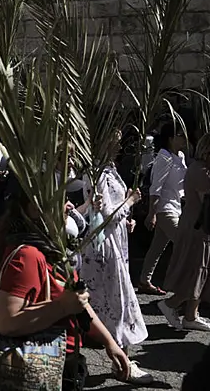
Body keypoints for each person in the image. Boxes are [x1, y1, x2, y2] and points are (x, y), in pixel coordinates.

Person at [0, 186, 132, 390]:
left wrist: (109, 341)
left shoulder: (52, 249)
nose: (69, 206)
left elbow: (77, 302)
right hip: (43, 366)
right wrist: (62, 307)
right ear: (34, 209)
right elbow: (5, 322)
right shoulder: (28, 256)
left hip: (63, 362)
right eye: (60, 201)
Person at [81, 131, 152, 385]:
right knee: (117, 300)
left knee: (116, 298)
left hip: (117, 241)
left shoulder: (110, 169)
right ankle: (122, 360)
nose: (119, 143)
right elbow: (105, 216)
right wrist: (130, 202)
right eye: (115, 138)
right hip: (104, 246)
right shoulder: (95, 172)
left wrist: (126, 218)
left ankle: (120, 359)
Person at [160, 131, 210, 332]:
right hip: (197, 227)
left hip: (207, 228)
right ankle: (170, 304)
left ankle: (191, 315)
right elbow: (209, 200)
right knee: (194, 271)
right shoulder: (199, 171)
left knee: (204, 270)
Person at [139, 121, 187, 294]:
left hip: (176, 206)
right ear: (171, 138)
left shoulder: (180, 156)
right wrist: (152, 213)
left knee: (158, 246)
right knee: (184, 244)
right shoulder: (164, 157)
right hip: (165, 208)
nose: (184, 139)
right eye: (180, 135)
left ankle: (144, 280)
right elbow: (156, 187)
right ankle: (183, 286)